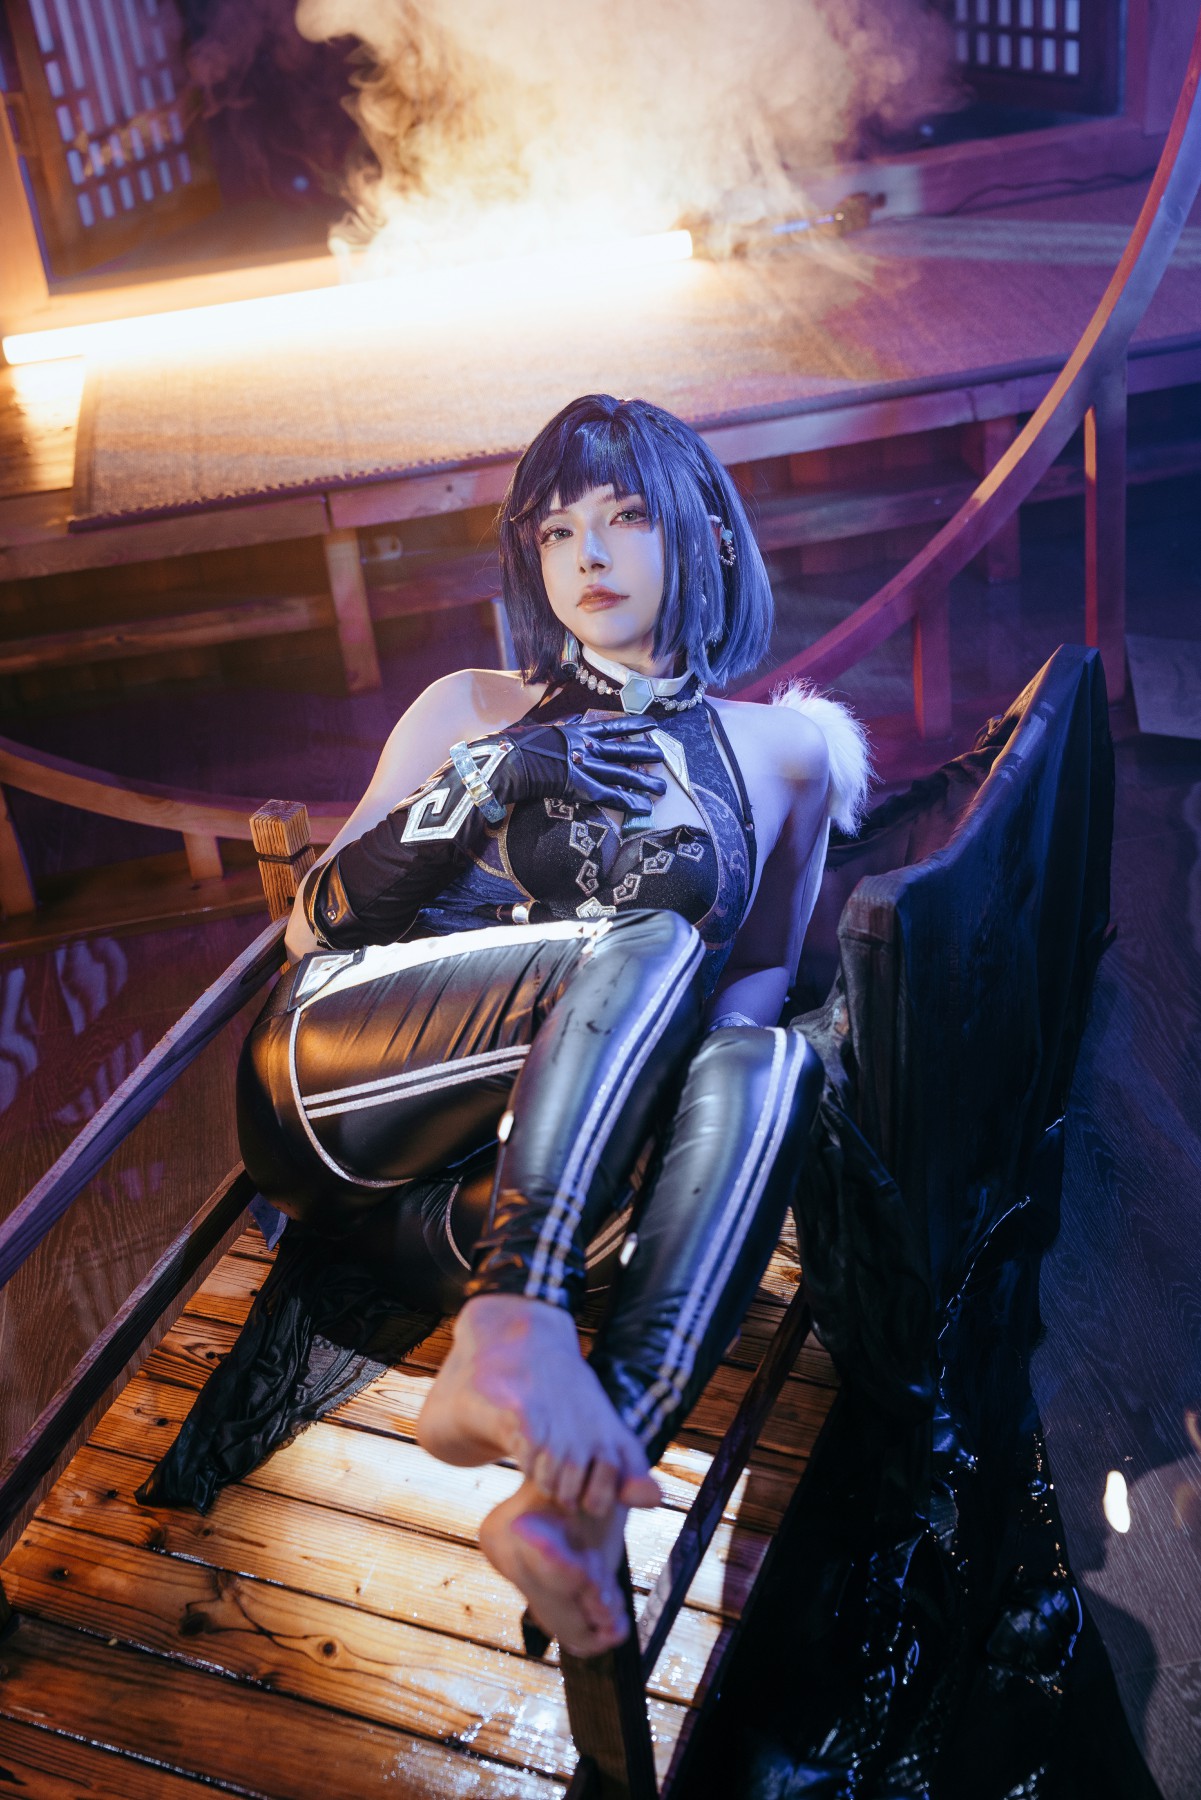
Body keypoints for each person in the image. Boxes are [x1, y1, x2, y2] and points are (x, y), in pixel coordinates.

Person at [236, 393, 868, 1656]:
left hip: (495, 1203)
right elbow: (313, 926)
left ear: (710, 533)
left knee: (768, 1058)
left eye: (627, 518)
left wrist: (687, 1101)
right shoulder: (472, 706)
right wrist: (491, 779)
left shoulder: (784, 754)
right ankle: (513, 1327)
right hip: (341, 1091)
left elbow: (754, 974)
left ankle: (584, 1489)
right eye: (558, 530)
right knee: (651, 940)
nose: (589, 555)